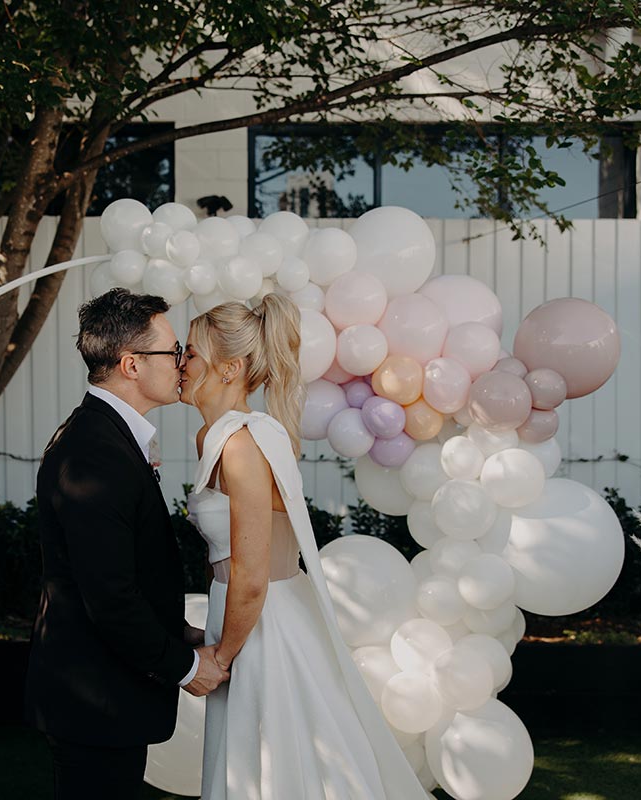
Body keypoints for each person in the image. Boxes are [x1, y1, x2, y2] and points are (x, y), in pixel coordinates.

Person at [181, 295, 430, 799]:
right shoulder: (219, 437)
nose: (180, 364)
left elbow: (251, 576)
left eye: (189, 353)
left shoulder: (241, 445)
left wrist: (221, 658)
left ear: (229, 367)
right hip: (248, 617)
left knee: (275, 769)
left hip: (262, 628)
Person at [25, 288, 229, 800]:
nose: (183, 362)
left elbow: (125, 567)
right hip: (94, 698)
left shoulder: (106, 436)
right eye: (174, 350)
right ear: (131, 364)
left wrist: (180, 631)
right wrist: (188, 668)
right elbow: (109, 596)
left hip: (105, 693)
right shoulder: (96, 453)